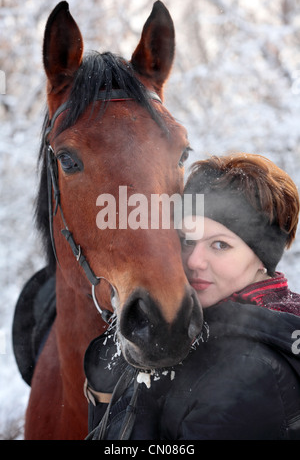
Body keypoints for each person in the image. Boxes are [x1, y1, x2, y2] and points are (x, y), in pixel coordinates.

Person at [84, 153, 300, 440]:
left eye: (220, 245)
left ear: (263, 257)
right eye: (187, 241)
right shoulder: (199, 330)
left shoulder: (247, 371)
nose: (195, 260)